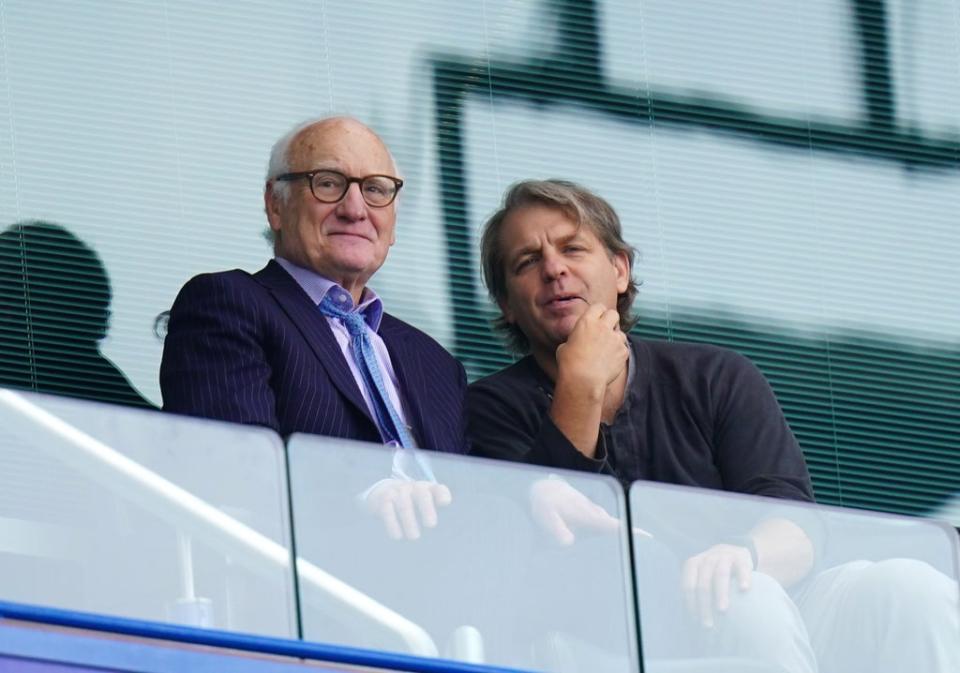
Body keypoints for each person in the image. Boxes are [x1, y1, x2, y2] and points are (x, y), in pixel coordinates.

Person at [466, 179, 959, 673]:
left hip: (777, 599)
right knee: (747, 600)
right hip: (623, 646)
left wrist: (743, 554)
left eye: (573, 248)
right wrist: (581, 385)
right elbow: (544, 533)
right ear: (506, 303)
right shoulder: (488, 406)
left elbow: (795, 521)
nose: (554, 268)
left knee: (909, 588)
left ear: (620, 269)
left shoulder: (714, 375)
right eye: (527, 262)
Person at [160, 117, 465, 529]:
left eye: (375, 189)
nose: (355, 209)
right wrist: (364, 498)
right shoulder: (230, 304)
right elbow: (232, 471)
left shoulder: (435, 362)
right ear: (275, 205)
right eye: (328, 183)